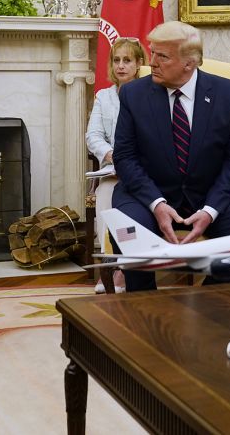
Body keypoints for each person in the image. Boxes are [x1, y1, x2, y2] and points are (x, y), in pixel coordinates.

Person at [111, 21, 230, 292]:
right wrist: (156, 203)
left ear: (189, 63)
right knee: (127, 233)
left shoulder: (229, 95)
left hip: (210, 193)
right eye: (153, 53)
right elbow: (125, 157)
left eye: (163, 56)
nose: (153, 62)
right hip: (148, 192)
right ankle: (144, 310)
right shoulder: (134, 94)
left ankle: (208, 305)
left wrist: (210, 210)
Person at [85, 36, 147, 293]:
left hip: (143, 172)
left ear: (139, 63)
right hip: (113, 171)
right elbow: (93, 137)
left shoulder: (150, 94)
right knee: (104, 197)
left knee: (133, 207)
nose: (121, 66)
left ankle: (126, 270)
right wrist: (113, 156)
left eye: (127, 60)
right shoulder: (104, 96)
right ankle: (110, 268)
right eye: (116, 60)